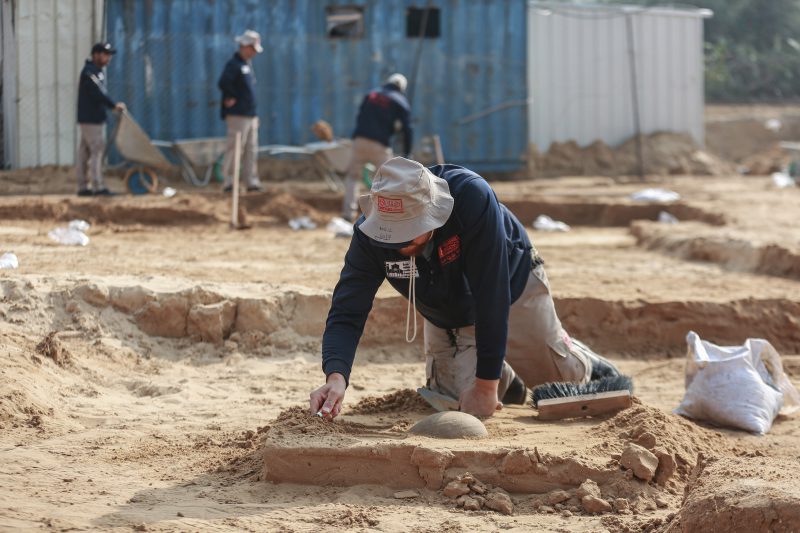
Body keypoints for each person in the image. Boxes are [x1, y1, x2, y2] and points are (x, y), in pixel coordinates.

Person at [310, 157, 619, 419]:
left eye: (409, 235)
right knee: (453, 404)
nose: (401, 246)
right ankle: (505, 379)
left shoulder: (472, 198)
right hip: (444, 307)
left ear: (433, 216)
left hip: (510, 285)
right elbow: (347, 310)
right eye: (392, 238)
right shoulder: (368, 235)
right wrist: (336, 376)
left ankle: (583, 362)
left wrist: (485, 386)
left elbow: (491, 296)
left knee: (561, 387)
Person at [341, 73, 413, 221]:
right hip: (380, 145)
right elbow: (407, 129)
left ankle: (348, 214)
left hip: (359, 140)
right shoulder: (401, 101)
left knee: (352, 177)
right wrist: (407, 152)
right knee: (386, 180)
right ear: (402, 88)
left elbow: (360, 116)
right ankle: (380, 216)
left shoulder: (371, 94)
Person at [76, 42, 126, 196]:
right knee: (97, 150)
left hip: (89, 118)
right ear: (96, 55)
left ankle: (83, 187)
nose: (108, 58)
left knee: (84, 153)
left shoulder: (95, 71)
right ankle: (98, 187)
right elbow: (97, 93)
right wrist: (113, 105)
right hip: (92, 119)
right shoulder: (91, 72)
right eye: (106, 54)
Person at [218, 30, 265, 193]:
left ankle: (251, 181)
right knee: (235, 148)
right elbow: (224, 82)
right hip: (238, 115)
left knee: (251, 149)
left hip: (249, 114)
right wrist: (231, 96)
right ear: (244, 46)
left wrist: (254, 114)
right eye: (252, 48)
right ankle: (229, 182)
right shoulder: (234, 64)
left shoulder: (246, 65)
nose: (253, 53)